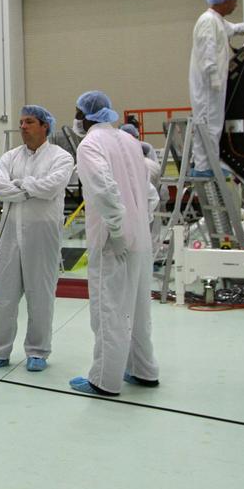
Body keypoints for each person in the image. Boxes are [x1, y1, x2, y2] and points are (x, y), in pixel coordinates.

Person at [70, 91, 160, 396]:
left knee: (109, 310)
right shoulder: (130, 141)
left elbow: (104, 191)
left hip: (113, 240)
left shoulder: (90, 145)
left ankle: (105, 380)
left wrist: (119, 232)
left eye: (78, 113)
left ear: (85, 115)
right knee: (137, 308)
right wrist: (137, 226)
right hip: (140, 238)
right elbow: (149, 192)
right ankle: (143, 369)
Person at [0, 105, 74, 373]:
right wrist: (31, 187)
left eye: (29, 122)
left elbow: (52, 186)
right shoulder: (9, 157)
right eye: (20, 122)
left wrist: (19, 186)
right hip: (9, 235)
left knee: (40, 295)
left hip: (42, 236)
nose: (22, 127)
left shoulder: (61, 157)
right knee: (2, 296)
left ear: (45, 126)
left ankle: (38, 352)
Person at [187, 0, 244, 176]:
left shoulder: (218, 21)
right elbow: (208, 50)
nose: (236, 5)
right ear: (224, 2)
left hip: (215, 82)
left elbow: (236, 29)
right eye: (234, 1)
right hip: (209, 84)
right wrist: (213, 77)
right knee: (209, 124)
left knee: (214, 124)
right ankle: (204, 167)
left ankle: (209, 164)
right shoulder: (208, 21)